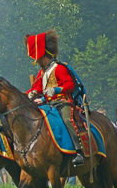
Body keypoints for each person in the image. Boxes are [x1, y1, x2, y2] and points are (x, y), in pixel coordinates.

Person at [25, 29, 84, 167]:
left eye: (37, 58)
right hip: (48, 104)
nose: (36, 61)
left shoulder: (59, 68)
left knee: (67, 120)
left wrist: (56, 89)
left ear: (42, 55)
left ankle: (79, 151)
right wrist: (30, 93)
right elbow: (37, 87)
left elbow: (70, 84)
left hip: (62, 102)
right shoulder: (42, 72)